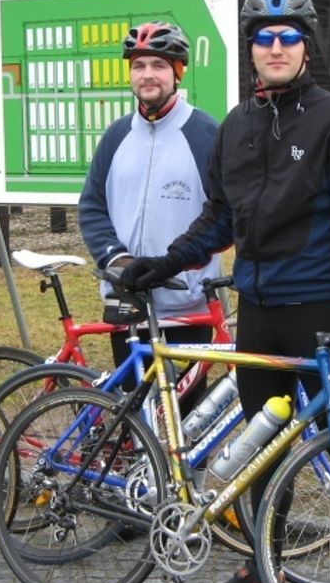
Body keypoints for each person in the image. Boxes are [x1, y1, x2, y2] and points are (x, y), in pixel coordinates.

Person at [122, 0, 330, 583]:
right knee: (260, 449)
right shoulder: (239, 124)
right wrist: (163, 263)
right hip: (260, 310)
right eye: (264, 37)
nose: (276, 47)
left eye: (288, 37)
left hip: (324, 308)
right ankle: (258, 565)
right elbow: (220, 217)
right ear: (251, 49)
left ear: (304, 47)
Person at [77, 21, 222, 383]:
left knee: (185, 423)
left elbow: (224, 213)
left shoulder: (206, 135)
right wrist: (117, 257)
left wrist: (178, 262)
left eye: (158, 66)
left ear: (178, 73)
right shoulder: (116, 135)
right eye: (138, 66)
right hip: (127, 298)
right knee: (130, 417)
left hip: (185, 305)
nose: (147, 75)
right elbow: (92, 206)